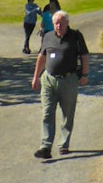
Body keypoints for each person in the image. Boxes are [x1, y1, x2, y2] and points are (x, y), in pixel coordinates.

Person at [32, 11, 89, 159]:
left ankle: (63, 144)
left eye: (61, 23)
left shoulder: (76, 36)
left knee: (67, 113)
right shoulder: (48, 36)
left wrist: (84, 75)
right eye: (56, 23)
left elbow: (84, 56)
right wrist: (36, 77)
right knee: (47, 113)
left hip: (69, 80)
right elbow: (41, 56)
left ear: (67, 23)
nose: (58, 25)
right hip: (49, 79)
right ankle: (45, 146)